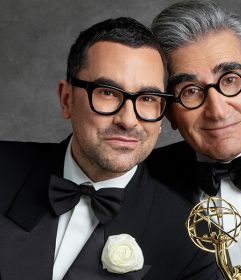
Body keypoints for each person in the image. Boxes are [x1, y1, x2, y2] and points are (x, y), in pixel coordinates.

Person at [0, 17, 219, 280]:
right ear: (66, 99)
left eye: (148, 99)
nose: (128, 120)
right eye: (108, 92)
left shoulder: (191, 239)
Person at [148, 0, 241, 278]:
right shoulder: (144, 182)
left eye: (230, 79)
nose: (217, 111)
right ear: (168, 110)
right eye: (191, 90)